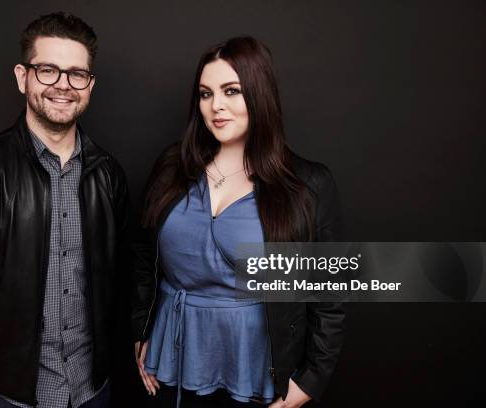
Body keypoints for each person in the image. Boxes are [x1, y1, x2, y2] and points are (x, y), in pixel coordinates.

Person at [0, 12, 129, 408]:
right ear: (22, 77)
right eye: (48, 70)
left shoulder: (108, 174)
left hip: (92, 390)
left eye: (76, 74)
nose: (63, 86)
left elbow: (118, 274)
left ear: (90, 85)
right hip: (6, 394)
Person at [131, 37, 344, 408]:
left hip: (258, 368)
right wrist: (142, 330)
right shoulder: (171, 168)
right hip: (171, 360)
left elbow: (330, 296)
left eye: (232, 91)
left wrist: (308, 383)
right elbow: (142, 256)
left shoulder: (308, 185)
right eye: (205, 93)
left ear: (260, 95)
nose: (216, 106)